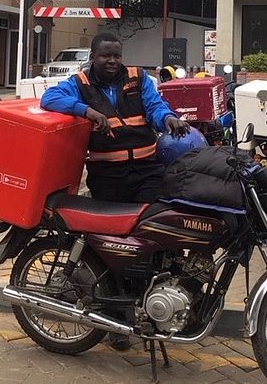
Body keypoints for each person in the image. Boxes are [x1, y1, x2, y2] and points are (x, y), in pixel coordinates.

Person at [40, 32, 189, 350]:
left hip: (147, 173)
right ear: (93, 56)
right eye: (106, 55)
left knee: (150, 238)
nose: (112, 61)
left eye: (116, 56)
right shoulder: (78, 83)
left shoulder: (138, 78)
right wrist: (86, 111)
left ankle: (150, 306)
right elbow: (48, 99)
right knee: (112, 248)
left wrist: (170, 119)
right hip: (108, 177)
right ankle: (116, 320)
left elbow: (155, 107)